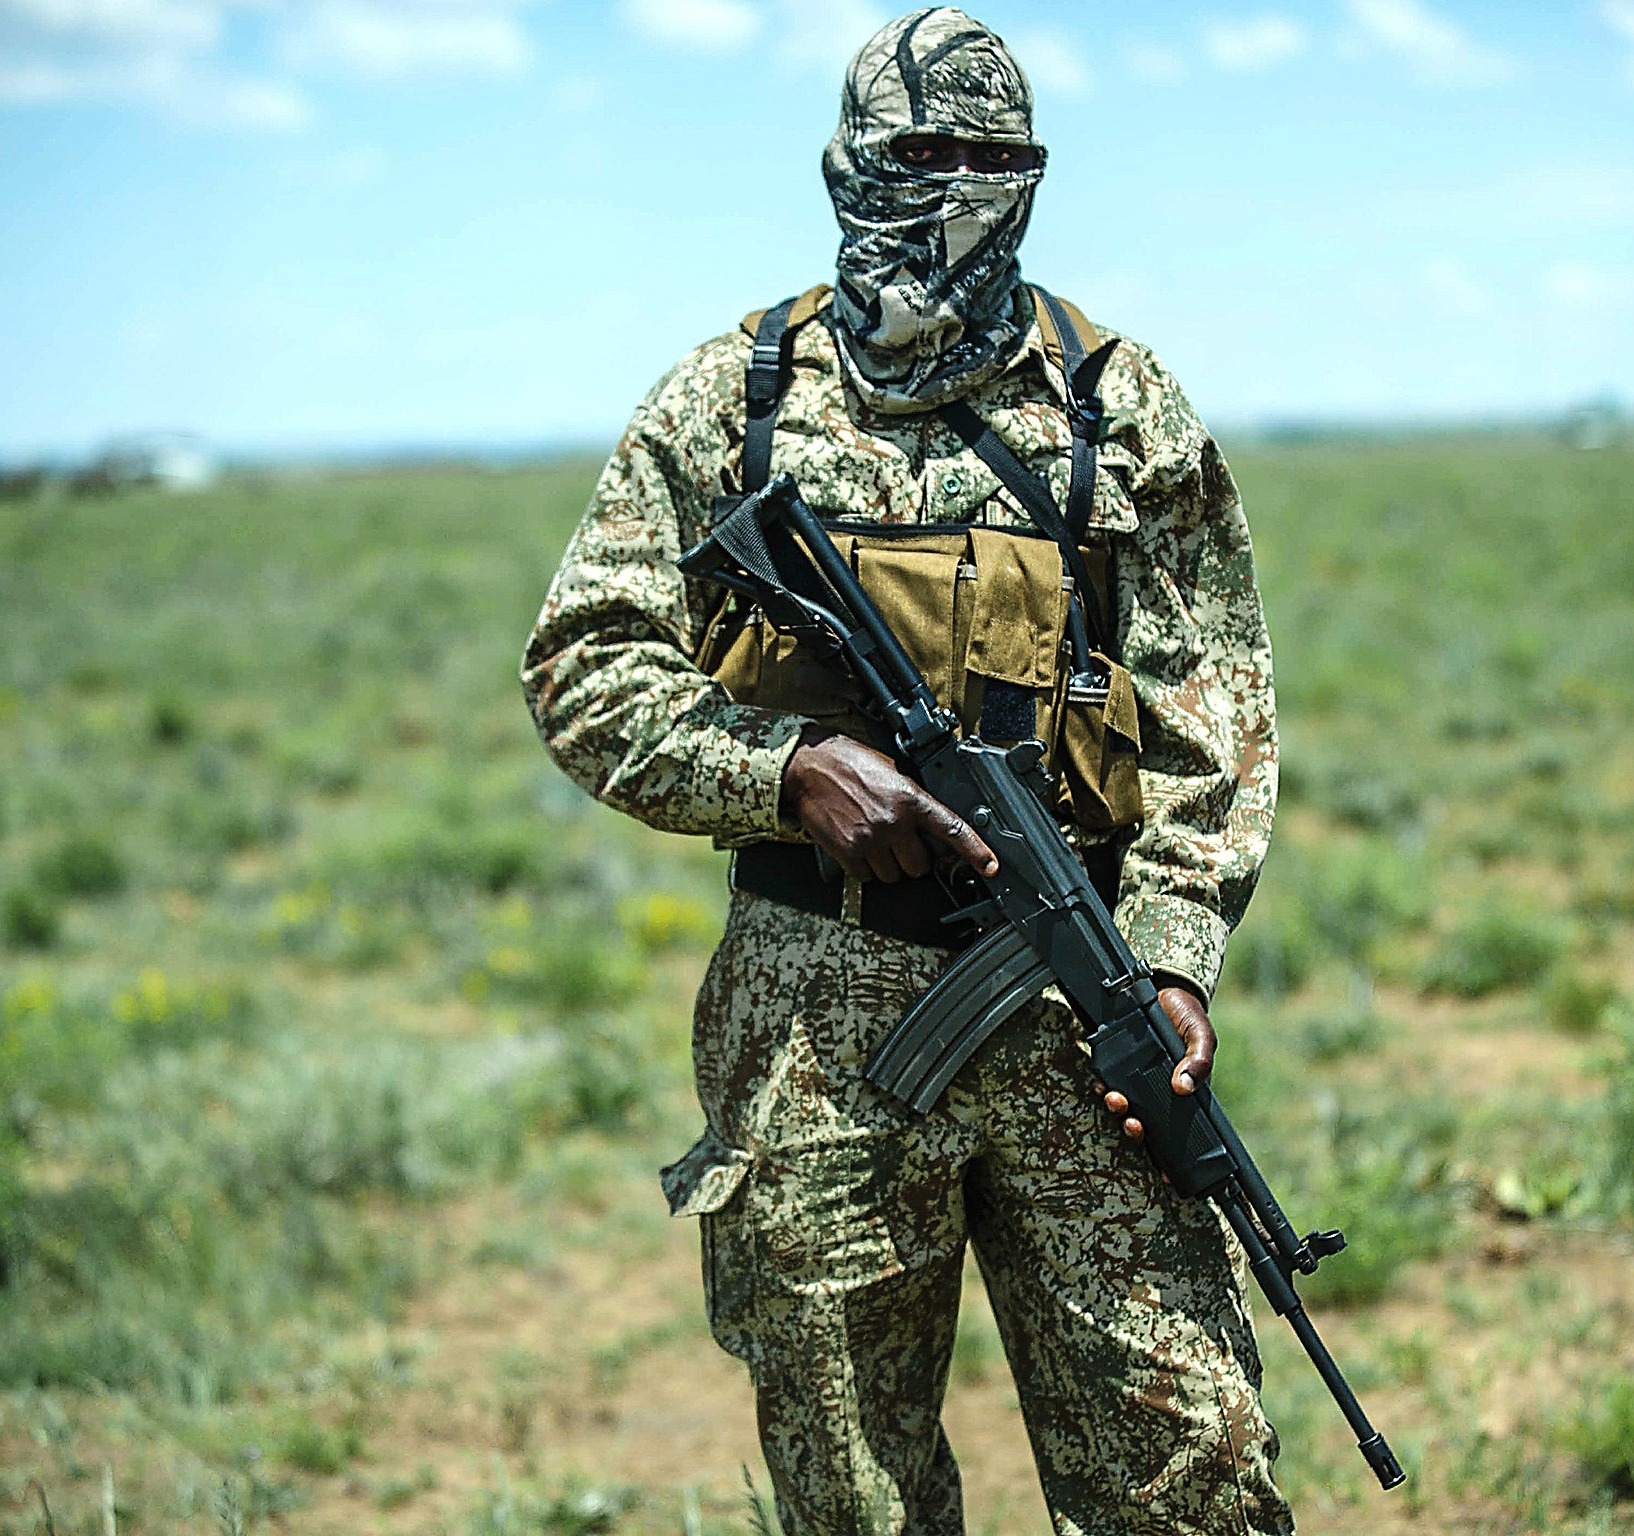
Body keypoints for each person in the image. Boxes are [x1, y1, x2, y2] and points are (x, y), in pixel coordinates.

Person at [521, 9, 1291, 1531]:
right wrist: (787, 765)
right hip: (815, 1019)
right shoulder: (727, 405)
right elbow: (583, 664)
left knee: (1191, 1470)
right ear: (843, 166)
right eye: (917, 154)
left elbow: (1220, 716)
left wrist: (1182, 965)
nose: (952, 187)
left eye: (991, 159)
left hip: (1085, 1005)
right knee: (855, 1490)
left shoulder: (1115, 403)